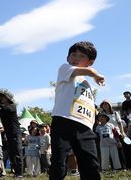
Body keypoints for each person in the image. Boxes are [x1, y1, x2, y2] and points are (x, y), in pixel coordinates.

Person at [49, 41, 105, 180]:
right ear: (67, 57)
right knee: (59, 162)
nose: (76, 58)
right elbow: (88, 71)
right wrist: (95, 74)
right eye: (73, 54)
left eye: (81, 56)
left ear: (90, 61)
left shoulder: (87, 84)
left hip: (85, 127)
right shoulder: (65, 69)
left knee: (90, 164)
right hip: (63, 121)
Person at [0, 92, 23, 178]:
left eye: (2, 97)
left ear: (8, 98)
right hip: (8, 134)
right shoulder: (1, 109)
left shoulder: (12, 106)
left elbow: (5, 109)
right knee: (12, 154)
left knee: (17, 153)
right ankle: (16, 172)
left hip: (16, 133)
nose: (1, 98)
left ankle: (20, 174)